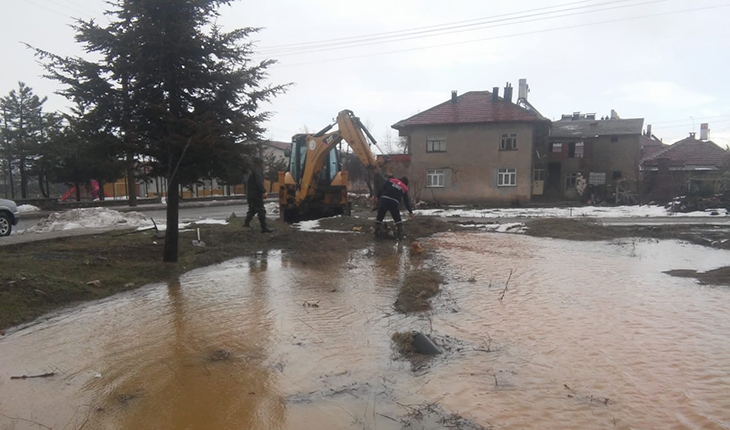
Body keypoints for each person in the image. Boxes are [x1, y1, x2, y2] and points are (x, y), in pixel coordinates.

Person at [243, 157, 273, 233]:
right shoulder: (257, 171)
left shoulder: (252, 171)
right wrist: (263, 191)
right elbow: (259, 182)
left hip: (250, 195)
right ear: (259, 163)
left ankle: (246, 223)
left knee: (252, 209)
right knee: (261, 210)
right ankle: (264, 228)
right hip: (256, 195)